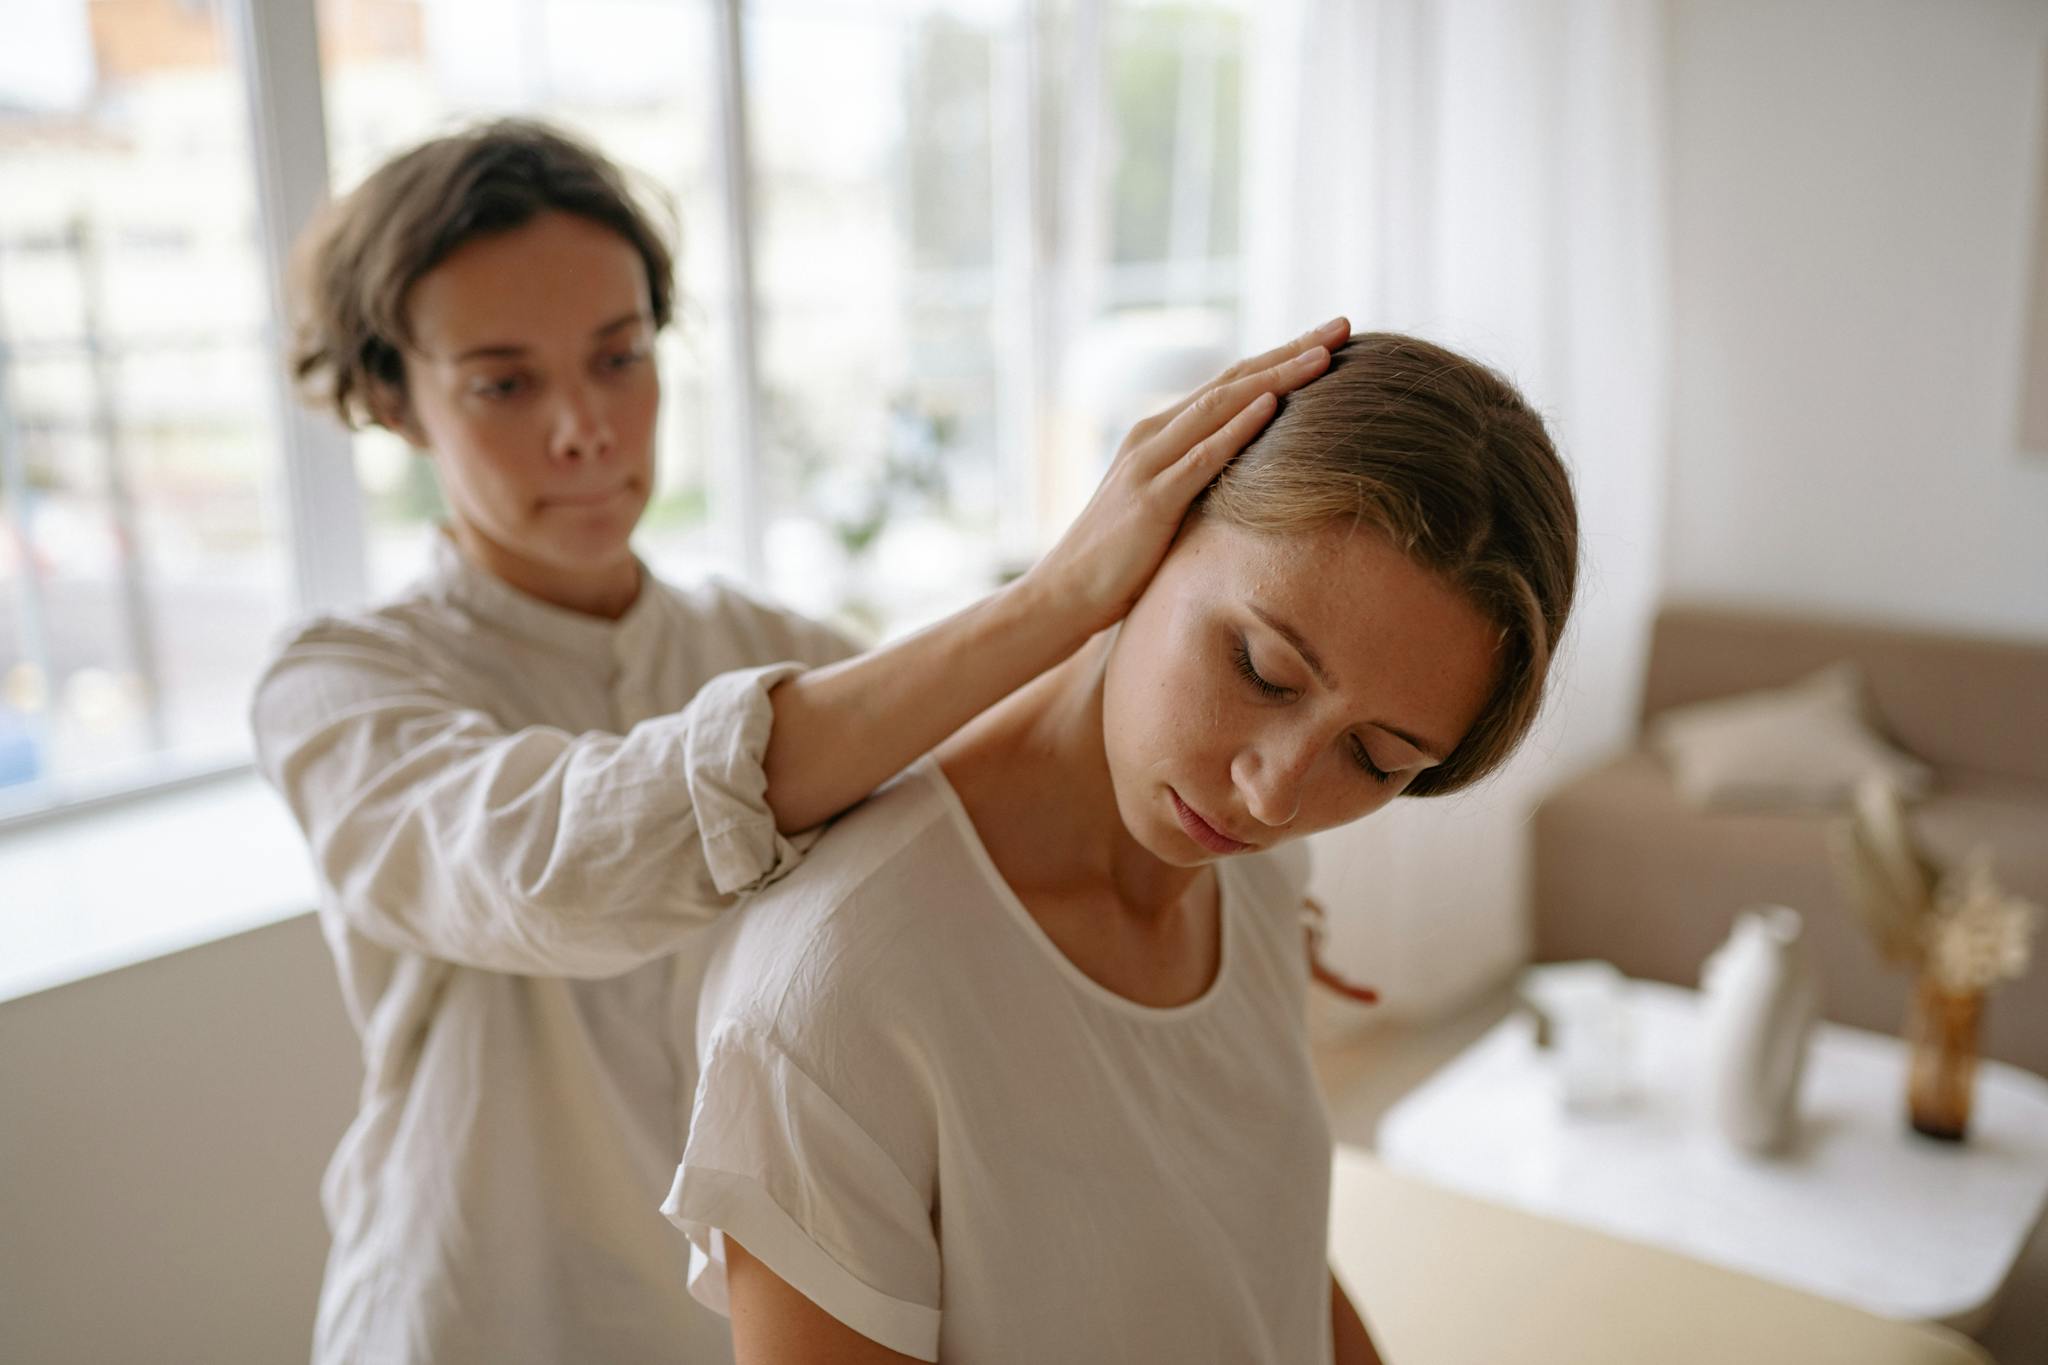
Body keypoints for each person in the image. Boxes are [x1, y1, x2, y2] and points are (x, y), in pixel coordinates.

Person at [250, 116, 1348, 1365]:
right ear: (392, 398)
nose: (584, 427)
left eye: (618, 357)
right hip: (479, 1314)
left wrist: (1236, 892)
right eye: (505, 383)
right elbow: (553, 867)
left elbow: (1017, 807)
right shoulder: (339, 685)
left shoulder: (773, 642)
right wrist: (1050, 600)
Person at [665, 332, 1580, 1365]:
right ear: (1150, 527)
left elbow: (1256, 1260)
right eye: (1261, 669)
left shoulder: (1252, 869)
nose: (1274, 793)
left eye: (1375, 760)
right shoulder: (832, 996)